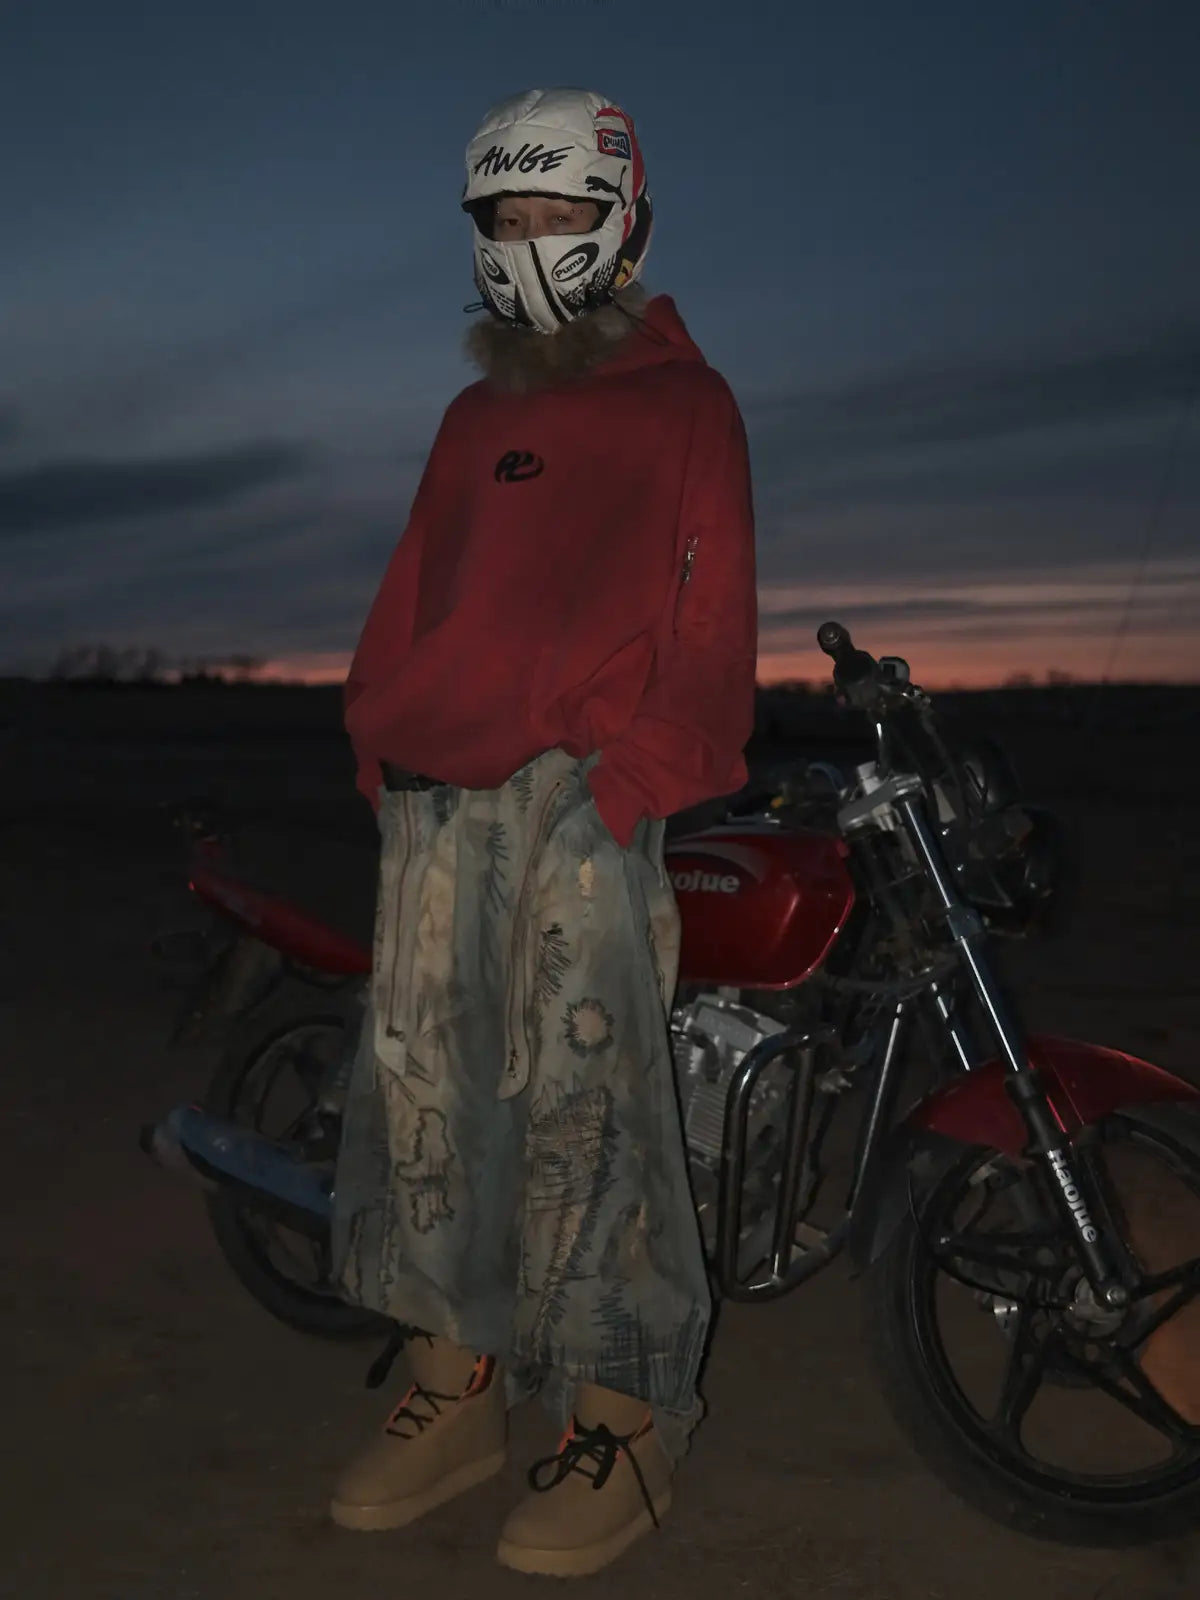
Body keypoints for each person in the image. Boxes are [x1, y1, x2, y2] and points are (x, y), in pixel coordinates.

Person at [330, 86, 758, 1577]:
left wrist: (634, 780)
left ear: (619, 222)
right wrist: (379, 737)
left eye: (556, 212)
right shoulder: (475, 417)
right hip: (437, 797)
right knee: (427, 1096)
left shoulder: (685, 404)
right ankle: (452, 1384)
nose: (527, 238)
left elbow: (713, 616)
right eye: (505, 216)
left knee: (591, 1107)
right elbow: (415, 585)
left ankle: (623, 1415)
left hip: (582, 794)